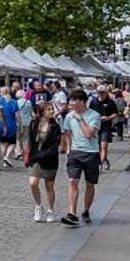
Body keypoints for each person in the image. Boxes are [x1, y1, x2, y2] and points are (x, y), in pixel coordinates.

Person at [60, 88, 102, 228]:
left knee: (90, 184)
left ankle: (86, 210)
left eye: (74, 100)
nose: (71, 103)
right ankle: (72, 213)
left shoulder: (94, 115)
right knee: (73, 181)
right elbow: (67, 132)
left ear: (82, 101)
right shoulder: (68, 116)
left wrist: (80, 119)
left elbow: (89, 134)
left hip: (91, 153)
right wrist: (68, 148)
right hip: (75, 153)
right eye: (70, 100)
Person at [27, 100, 63, 222]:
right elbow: (31, 142)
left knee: (49, 186)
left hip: (50, 159)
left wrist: (40, 156)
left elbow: (54, 146)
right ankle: (38, 206)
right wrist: (30, 156)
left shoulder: (55, 126)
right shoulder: (34, 123)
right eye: (48, 109)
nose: (52, 111)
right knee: (33, 183)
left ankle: (50, 210)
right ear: (42, 111)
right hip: (36, 158)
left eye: (52, 109)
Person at [0, 83, 19, 167]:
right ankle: (6, 157)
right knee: (12, 143)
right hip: (12, 125)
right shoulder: (14, 102)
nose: (0, 92)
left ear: (5, 92)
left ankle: (4, 159)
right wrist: (20, 124)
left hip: (1, 124)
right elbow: (17, 115)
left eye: (1, 91)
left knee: (2, 143)